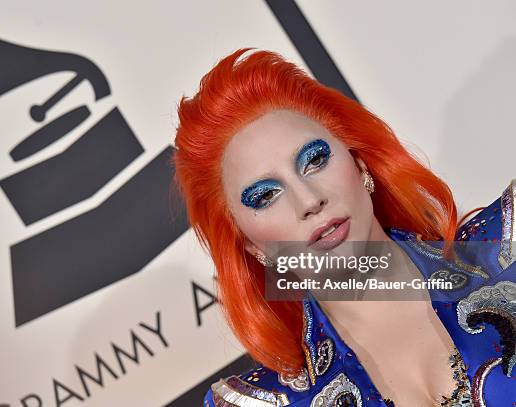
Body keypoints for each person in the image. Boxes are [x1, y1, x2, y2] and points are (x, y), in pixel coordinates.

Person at [172, 48, 515, 406]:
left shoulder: (508, 247)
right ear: (249, 244)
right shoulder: (261, 402)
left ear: (359, 164)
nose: (309, 200)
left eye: (315, 160)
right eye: (265, 196)